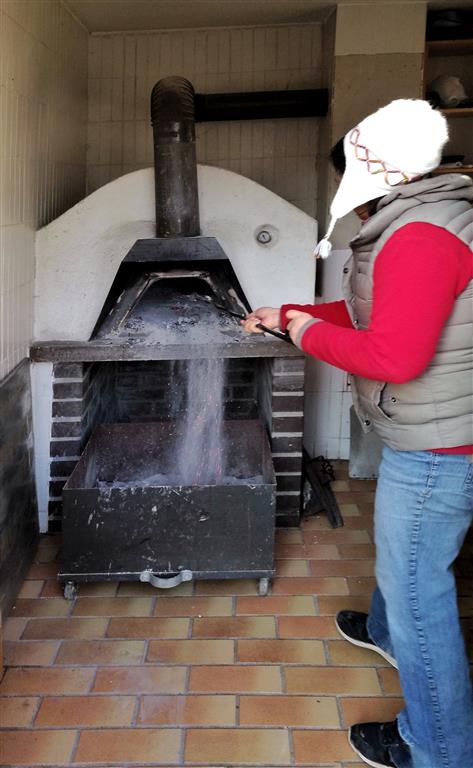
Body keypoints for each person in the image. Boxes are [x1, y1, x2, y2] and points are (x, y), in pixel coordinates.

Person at [242, 99, 473, 768]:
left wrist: (304, 333)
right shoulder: (431, 218)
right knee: (406, 563)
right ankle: (382, 630)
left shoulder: (419, 237)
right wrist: (292, 312)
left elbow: (394, 355)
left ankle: (439, 750)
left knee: (418, 594)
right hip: (440, 427)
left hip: (442, 446)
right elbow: (380, 310)